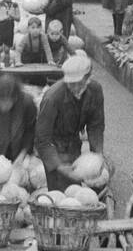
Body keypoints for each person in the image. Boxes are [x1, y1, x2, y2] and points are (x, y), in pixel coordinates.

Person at [35, 54, 105, 192]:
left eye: (78, 83)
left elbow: (96, 125)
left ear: (87, 78)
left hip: (73, 143)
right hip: (54, 147)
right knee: (59, 193)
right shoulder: (52, 98)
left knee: (75, 190)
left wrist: (97, 154)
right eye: (70, 83)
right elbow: (42, 139)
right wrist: (59, 166)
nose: (74, 87)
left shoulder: (95, 90)